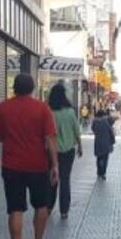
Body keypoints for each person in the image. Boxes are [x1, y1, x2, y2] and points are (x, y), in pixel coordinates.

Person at [0, 74, 59, 239]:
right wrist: (55, 165)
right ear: (32, 88)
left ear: (14, 87)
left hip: (12, 166)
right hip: (38, 166)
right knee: (41, 205)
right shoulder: (42, 108)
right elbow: (50, 139)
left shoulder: (3, 108)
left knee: (15, 209)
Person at [48, 84, 82, 220]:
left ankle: (49, 207)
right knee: (65, 179)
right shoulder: (70, 112)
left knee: (52, 179)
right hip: (68, 151)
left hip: (52, 152)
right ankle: (64, 210)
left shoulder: (50, 113)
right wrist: (80, 146)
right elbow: (76, 130)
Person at [91, 108, 116, 180]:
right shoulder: (105, 122)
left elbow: (93, 129)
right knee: (105, 159)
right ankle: (103, 173)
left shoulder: (94, 122)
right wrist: (112, 142)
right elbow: (111, 132)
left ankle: (99, 172)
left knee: (99, 158)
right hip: (105, 143)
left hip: (97, 143)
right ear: (103, 115)